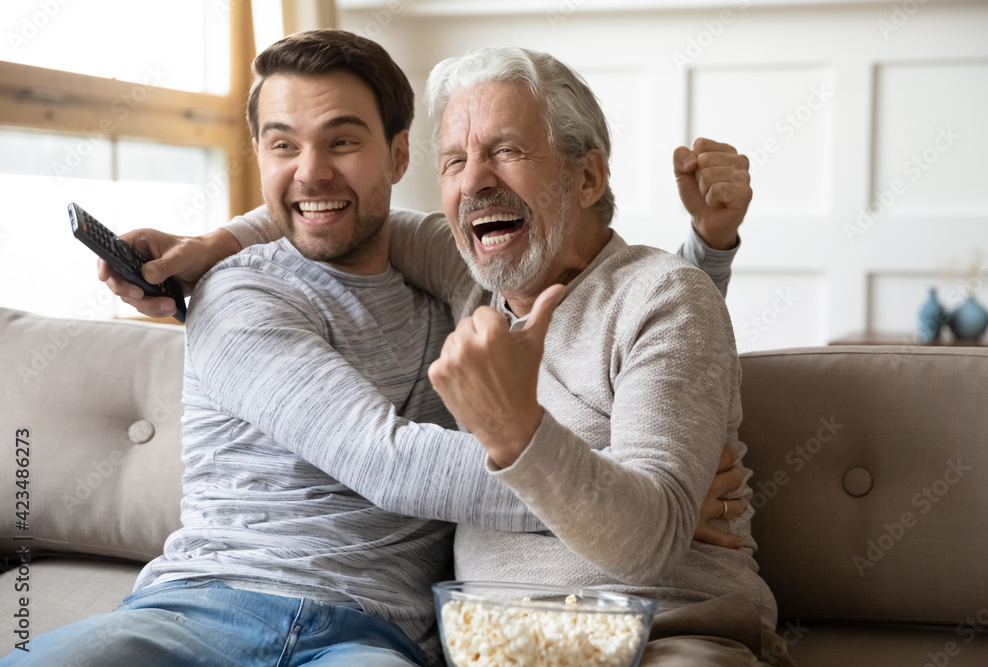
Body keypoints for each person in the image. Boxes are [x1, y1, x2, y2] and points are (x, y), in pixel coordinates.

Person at [1, 31, 753, 667]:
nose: (475, 182)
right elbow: (337, 221)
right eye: (454, 161)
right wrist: (613, 497)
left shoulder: (517, 276)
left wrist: (637, 506)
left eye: (506, 150)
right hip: (296, 619)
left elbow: (649, 311)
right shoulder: (439, 275)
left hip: (568, 635)